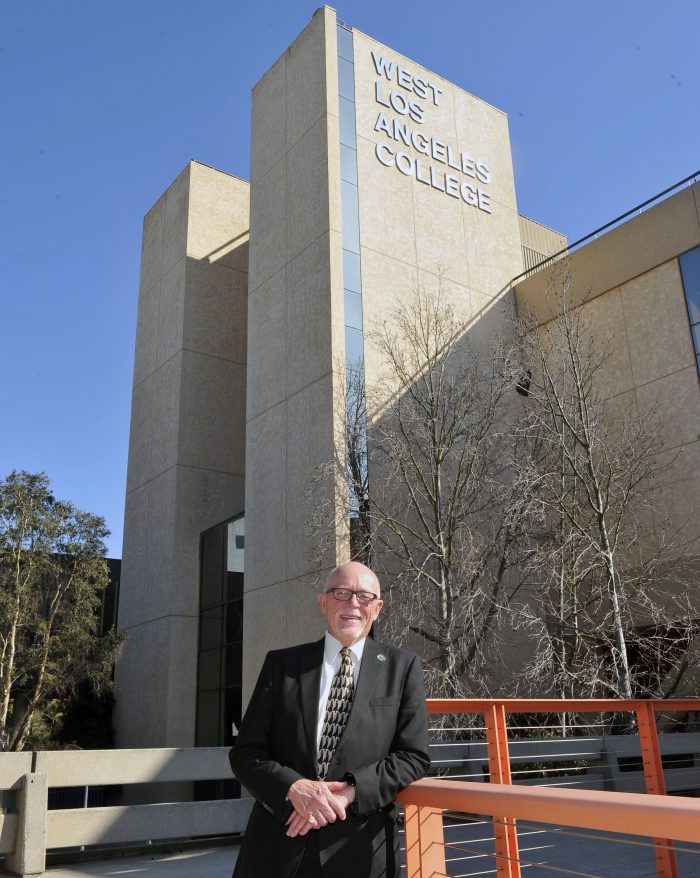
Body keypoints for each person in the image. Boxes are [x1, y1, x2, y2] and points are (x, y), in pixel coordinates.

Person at [229, 561, 430, 878]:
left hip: (361, 849)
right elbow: (245, 754)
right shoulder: (282, 665)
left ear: (376, 608)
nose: (353, 604)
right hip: (278, 845)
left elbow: (413, 757)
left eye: (364, 596)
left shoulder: (402, 668)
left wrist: (349, 792)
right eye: (342, 593)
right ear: (323, 602)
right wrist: (294, 787)